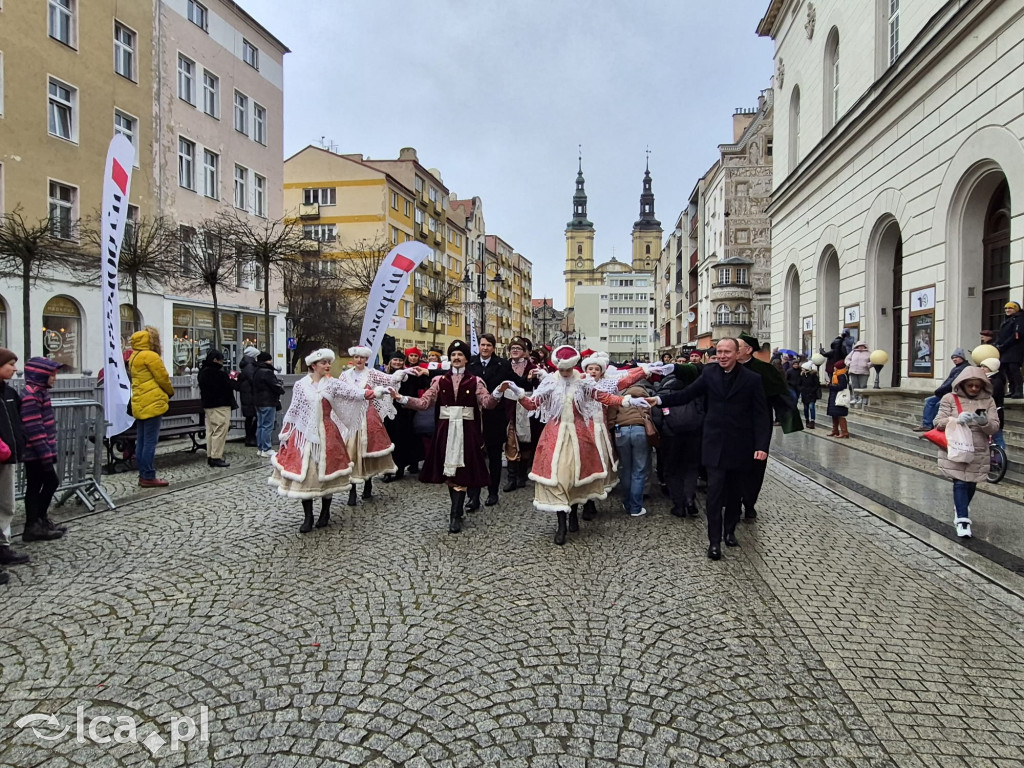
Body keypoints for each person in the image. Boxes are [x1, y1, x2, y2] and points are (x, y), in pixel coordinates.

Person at [506, 345, 650, 545]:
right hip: (554, 437)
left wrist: (627, 401)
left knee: (575, 478)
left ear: (573, 366)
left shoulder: (583, 382)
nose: (564, 373)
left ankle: (573, 514)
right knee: (559, 478)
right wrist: (519, 394)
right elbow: (532, 405)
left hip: (579, 436)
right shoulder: (550, 381)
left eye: (568, 369)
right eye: (561, 369)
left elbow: (603, 396)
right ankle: (562, 525)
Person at [651, 338, 770, 560]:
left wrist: (761, 446)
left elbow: (761, 416)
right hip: (714, 443)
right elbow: (686, 395)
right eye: (720, 352)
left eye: (727, 352)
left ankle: (730, 530)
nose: (723, 355)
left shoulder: (752, 380)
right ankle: (714, 542)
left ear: (737, 354)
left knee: (735, 493)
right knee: (714, 493)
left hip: (741, 445)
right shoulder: (710, 374)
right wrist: (658, 399)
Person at [391, 340, 504, 534]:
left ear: (466, 359)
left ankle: (455, 513)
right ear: (450, 358)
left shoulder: (476, 381)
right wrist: (402, 398)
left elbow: (487, 403)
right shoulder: (439, 381)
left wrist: (498, 393)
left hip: (467, 431)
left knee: (463, 471)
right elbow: (424, 402)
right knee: (450, 472)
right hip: (446, 431)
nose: (456, 358)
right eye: (453, 355)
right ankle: (456, 510)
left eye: (460, 355)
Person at [270, 348, 371, 533]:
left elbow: (352, 393)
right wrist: (286, 433)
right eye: (323, 363)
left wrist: (372, 393)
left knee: (327, 472)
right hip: (304, 435)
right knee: (307, 474)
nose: (327, 366)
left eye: (328, 362)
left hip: (328, 433)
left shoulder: (332, 384)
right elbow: (295, 410)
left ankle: (325, 512)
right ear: (313, 365)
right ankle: (308, 517)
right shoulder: (301, 385)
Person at [934, 366, 999, 538]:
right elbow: (937, 422)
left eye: (977, 386)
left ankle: (960, 506)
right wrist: (954, 420)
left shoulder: (989, 401)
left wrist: (983, 421)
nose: (974, 389)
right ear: (962, 384)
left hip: (978, 449)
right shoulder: (949, 398)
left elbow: (994, 427)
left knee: (971, 483)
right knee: (960, 482)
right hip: (956, 445)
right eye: (970, 385)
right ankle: (962, 519)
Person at [338, 346, 404, 506]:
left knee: (367, 450)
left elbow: (388, 380)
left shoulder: (372, 373)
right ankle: (352, 489)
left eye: (362, 357)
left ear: (366, 359)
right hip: (351, 418)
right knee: (350, 453)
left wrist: (399, 375)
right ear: (353, 358)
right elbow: (338, 392)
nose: (359, 360)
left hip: (368, 416)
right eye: (356, 357)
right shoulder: (345, 375)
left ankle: (368, 482)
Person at [736, 333, 791, 520]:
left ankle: (749, 502)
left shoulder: (764, 369)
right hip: (733, 424)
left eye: (738, 346)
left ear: (748, 350)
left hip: (758, 424)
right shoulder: (727, 366)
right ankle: (733, 501)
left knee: (756, 465)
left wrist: (788, 419)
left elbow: (780, 395)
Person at [20, 357, 66, 542]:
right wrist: (46, 453)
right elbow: (34, 428)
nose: (54, 378)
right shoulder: (31, 396)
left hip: (38, 450)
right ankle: (34, 524)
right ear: (41, 375)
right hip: (35, 452)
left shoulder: (40, 393)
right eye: (52, 375)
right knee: (47, 483)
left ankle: (39, 521)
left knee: (38, 485)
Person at [467, 333, 510, 509]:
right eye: (483, 345)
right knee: (473, 457)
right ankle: (473, 496)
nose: (485, 348)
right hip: (475, 417)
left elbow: (514, 383)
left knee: (494, 457)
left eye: (488, 345)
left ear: (493, 347)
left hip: (495, 417)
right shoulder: (470, 363)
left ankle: (493, 492)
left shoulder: (502, 364)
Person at [129, 327, 175, 488]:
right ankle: (148, 475)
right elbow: (162, 377)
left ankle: (143, 474)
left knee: (141, 441)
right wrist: (170, 392)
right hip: (153, 402)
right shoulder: (150, 356)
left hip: (140, 402)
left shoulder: (134, 356)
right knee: (150, 441)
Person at [0, 349, 31, 581]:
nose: (15, 368)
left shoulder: (9, 392)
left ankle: (3, 545)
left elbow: (18, 419)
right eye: (10, 364)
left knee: (7, 504)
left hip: (8, 458)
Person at [502, 336, 544, 492]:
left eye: (518, 348)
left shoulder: (533, 367)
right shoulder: (504, 366)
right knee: (511, 440)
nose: (514, 350)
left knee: (526, 441)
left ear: (525, 352)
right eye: (512, 348)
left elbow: (538, 388)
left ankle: (521, 475)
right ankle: (511, 478)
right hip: (509, 407)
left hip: (526, 407)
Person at [197, 350, 237, 468]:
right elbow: (229, 386)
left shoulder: (202, 372)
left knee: (210, 431)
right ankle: (216, 457)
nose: (222, 363)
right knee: (220, 430)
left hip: (208, 405)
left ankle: (210, 455)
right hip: (221, 405)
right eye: (221, 360)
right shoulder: (219, 373)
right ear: (216, 360)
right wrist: (234, 378)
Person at [912, 348, 969, 432]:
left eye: (956, 357)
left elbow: (951, 382)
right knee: (929, 401)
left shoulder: (963, 368)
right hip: (947, 392)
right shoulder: (957, 368)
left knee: (937, 404)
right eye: (953, 358)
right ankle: (927, 424)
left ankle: (932, 425)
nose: (954, 359)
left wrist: (939, 391)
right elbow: (948, 382)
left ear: (962, 358)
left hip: (954, 394)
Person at [253, 351, 284, 457]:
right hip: (268, 401)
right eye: (270, 359)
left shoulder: (256, 370)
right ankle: (266, 448)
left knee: (260, 425)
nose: (271, 362)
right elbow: (275, 386)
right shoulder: (267, 372)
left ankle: (260, 448)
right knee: (267, 426)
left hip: (258, 401)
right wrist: (280, 388)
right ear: (267, 360)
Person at [995, 301, 1024, 398]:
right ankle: (1012, 390)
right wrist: (997, 344)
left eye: (1010, 308)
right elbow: (1002, 335)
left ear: (1015, 309)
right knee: (1007, 370)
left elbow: (1016, 335)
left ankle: (1019, 390)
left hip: (1015, 349)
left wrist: (1003, 345)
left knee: (1014, 369)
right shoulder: (1006, 320)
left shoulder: (1019, 319)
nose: (1007, 310)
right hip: (1005, 350)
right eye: (1006, 308)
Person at [979, 358, 1006, 450]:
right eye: (981, 366)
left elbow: (991, 396)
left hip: (995, 412)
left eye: (985, 367)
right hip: (982, 411)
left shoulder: (996, 381)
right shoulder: (984, 379)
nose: (982, 368)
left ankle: (1000, 459)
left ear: (991, 368)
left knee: (997, 436)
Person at [238, 346, 259, 447]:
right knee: (253, 416)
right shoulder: (250, 366)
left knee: (250, 417)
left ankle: (249, 437)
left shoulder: (246, 364)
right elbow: (253, 379)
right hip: (250, 394)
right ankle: (250, 437)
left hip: (247, 394)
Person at [827, 359, 851, 438]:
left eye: (835, 367)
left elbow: (841, 386)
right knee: (835, 414)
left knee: (840, 414)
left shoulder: (841, 375)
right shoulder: (836, 375)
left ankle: (844, 432)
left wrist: (830, 385)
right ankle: (835, 430)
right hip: (835, 396)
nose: (834, 368)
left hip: (839, 397)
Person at [845, 340, 871, 404]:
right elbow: (847, 359)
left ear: (865, 346)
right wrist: (849, 363)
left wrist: (868, 365)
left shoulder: (869, 353)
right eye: (859, 346)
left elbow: (873, 360)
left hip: (864, 372)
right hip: (853, 371)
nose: (861, 347)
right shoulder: (853, 352)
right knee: (854, 386)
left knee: (863, 386)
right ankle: (855, 398)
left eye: (862, 346)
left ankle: (862, 399)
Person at [799, 361, 821, 429]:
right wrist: (802, 389)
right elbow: (799, 384)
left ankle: (812, 421)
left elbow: (817, 385)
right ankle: (807, 420)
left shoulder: (813, 375)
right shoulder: (802, 375)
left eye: (803, 368)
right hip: (804, 394)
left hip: (812, 394)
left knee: (811, 407)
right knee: (805, 408)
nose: (802, 369)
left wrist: (811, 391)